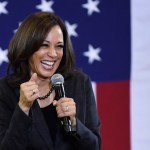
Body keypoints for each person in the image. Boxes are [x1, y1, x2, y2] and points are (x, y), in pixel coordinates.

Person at [0, 12, 101, 150]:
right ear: (27, 46)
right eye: (44, 45)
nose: (53, 54)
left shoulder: (80, 83)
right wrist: (23, 108)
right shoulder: (4, 90)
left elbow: (95, 146)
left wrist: (74, 124)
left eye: (59, 46)